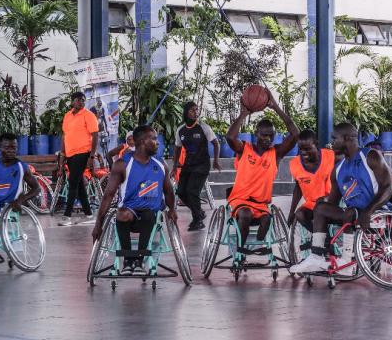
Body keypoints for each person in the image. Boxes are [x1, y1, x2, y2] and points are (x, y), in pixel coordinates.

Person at [289, 122, 392, 274]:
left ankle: (347, 260)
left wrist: (368, 211)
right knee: (321, 208)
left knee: (351, 211)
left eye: (334, 138)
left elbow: (389, 188)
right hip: (353, 215)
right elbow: (333, 201)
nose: (331, 142)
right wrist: (320, 206)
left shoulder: (370, 156)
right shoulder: (338, 169)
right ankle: (316, 256)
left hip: (377, 213)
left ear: (346, 139)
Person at [92, 125, 177, 275]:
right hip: (129, 214)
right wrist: (98, 224)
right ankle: (128, 261)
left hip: (150, 215)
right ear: (143, 142)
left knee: (149, 214)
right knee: (122, 214)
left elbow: (169, 191)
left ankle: (140, 260)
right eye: (154, 139)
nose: (157, 143)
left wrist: (172, 210)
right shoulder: (122, 164)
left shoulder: (160, 164)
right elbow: (108, 195)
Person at [225, 91, 298, 255]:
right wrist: (244, 113)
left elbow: (295, 134)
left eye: (271, 135)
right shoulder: (245, 149)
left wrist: (276, 107)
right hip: (241, 200)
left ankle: (258, 245)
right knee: (245, 214)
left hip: (261, 204)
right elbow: (230, 137)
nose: (268, 139)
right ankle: (241, 250)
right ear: (256, 134)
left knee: (267, 220)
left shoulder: (276, 153)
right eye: (264, 135)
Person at [171, 102, 222, 231]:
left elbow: (216, 143)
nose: (196, 112)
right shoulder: (180, 130)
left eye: (197, 110)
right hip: (188, 164)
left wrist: (216, 160)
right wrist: (175, 165)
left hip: (202, 165)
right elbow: (177, 147)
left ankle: (198, 220)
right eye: (192, 110)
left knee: (192, 191)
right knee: (181, 192)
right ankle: (199, 211)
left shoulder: (203, 127)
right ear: (186, 112)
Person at [58, 91, 100, 226]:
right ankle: (88, 214)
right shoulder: (67, 116)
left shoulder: (89, 115)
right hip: (70, 154)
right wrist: (63, 154)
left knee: (73, 182)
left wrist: (91, 156)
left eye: (83, 100)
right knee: (80, 185)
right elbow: (65, 136)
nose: (82, 102)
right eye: (79, 100)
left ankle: (67, 216)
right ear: (73, 101)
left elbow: (95, 136)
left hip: (83, 153)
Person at [288, 129, 336, 232]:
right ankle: (319, 236)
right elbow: (298, 188)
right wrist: (291, 212)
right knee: (300, 214)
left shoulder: (331, 156)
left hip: (331, 201)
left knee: (321, 205)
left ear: (316, 144)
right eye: (301, 149)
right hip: (312, 204)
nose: (303, 153)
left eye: (307, 149)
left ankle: (322, 238)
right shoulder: (295, 164)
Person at [0, 134, 40, 218]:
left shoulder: (22, 167)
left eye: (14, 147)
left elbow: (37, 188)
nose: (11, 151)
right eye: (7, 148)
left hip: (10, 207)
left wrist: (21, 200)